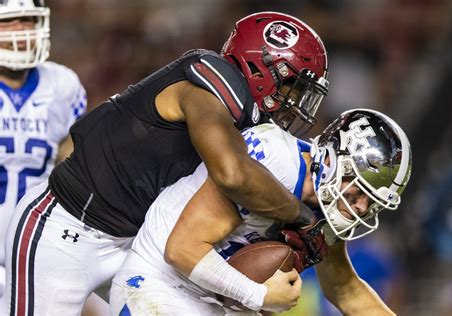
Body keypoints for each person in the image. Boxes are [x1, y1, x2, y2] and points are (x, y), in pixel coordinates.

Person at [1, 11, 329, 315]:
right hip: (66, 230)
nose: (295, 103)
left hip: (133, 242)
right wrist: (301, 216)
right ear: (262, 70)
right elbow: (232, 174)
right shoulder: (205, 90)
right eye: (292, 87)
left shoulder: (242, 117)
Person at [110, 108, 412, 315]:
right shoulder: (275, 159)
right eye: (358, 193)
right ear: (333, 161)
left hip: (219, 303)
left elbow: (345, 289)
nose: (359, 208)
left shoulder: (327, 206)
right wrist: (260, 296)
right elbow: (182, 250)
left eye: (370, 203)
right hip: (161, 284)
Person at [0, 0, 86, 299]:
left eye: (27, 20)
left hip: (37, 239)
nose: (20, 31)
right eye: (10, 21)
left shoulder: (63, 85)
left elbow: (71, 159)